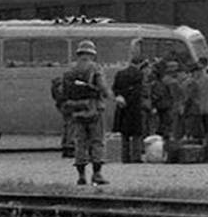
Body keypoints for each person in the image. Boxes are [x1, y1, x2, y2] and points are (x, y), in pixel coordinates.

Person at [63, 40, 112, 185]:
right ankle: (97, 174)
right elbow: (102, 87)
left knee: (80, 142)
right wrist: (111, 97)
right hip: (94, 109)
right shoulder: (95, 68)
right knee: (97, 141)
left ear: (79, 53)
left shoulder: (70, 69)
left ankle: (81, 176)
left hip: (76, 109)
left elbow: (64, 91)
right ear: (92, 54)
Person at [112, 54, 148, 163]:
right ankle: (136, 157)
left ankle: (125, 156)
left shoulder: (120, 73)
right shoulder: (139, 75)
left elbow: (114, 89)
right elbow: (137, 92)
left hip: (122, 107)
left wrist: (121, 98)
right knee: (137, 133)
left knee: (124, 133)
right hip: (134, 108)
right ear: (140, 64)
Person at [50, 74, 74, 158]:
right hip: (67, 105)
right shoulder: (64, 85)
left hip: (61, 105)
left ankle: (66, 145)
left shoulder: (56, 86)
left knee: (67, 125)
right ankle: (70, 145)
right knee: (71, 125)